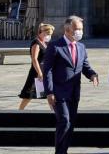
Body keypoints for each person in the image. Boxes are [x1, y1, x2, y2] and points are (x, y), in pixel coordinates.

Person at [42, 16, 99, 154]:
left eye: (81, 29)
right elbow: (47, 70)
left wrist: (92, 75)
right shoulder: (55, 46)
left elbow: (85, 66)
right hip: (58, 92)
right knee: (64, 121)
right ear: (67, 30)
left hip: (74, 92)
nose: (79, 32)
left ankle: (64, 150)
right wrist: (49, 92)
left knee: (70, 124)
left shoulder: (81, 46)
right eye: (77, 29)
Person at [18, 23, 54, 110]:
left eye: (50, 35)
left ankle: (55, 113)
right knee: (28, 95)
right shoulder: (36, 43)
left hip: (45, 71)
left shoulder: (45, 43)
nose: (48, 36)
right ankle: (19, 111)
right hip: (36, 72)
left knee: (50, 93)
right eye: (47, 34)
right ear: (41, 32)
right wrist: (40, 73)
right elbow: (34, 59)